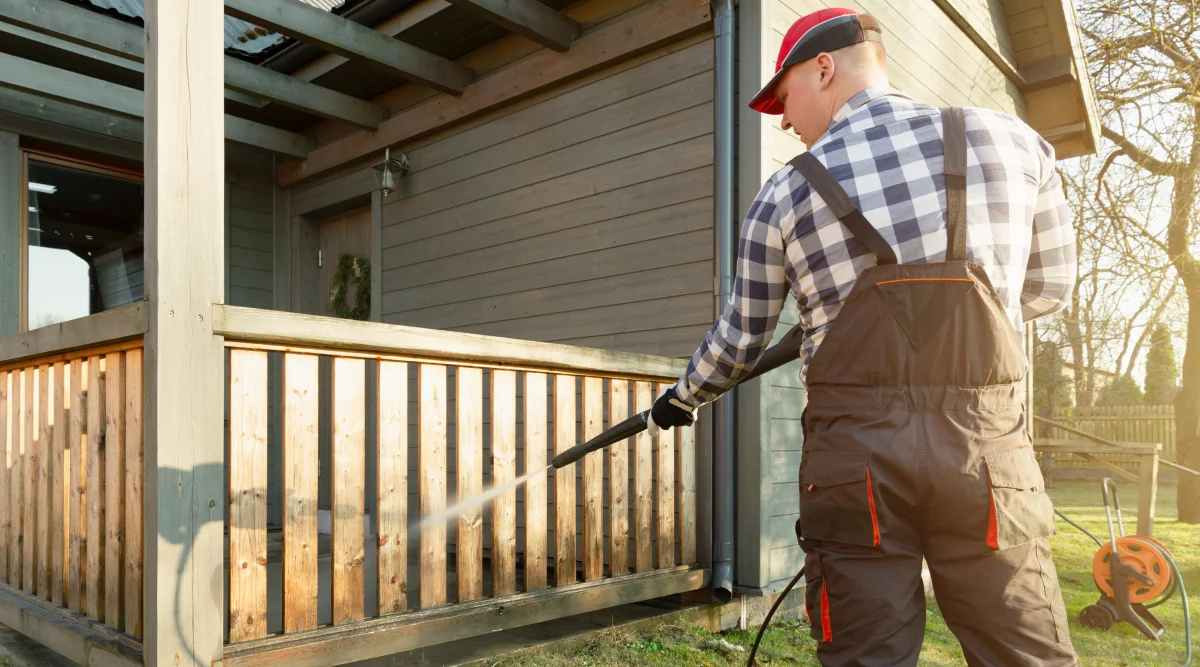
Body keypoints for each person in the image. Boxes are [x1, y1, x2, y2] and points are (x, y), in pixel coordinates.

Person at [649, 8, 1081, 667]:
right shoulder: (1017, 144)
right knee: (1025, 653)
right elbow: (1047, 290)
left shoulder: (784, 194)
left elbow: (738, 342)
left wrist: (681, 397)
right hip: (989, 462)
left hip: (858, 471)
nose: (785, 121)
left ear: (824, 68)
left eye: (785, 98)